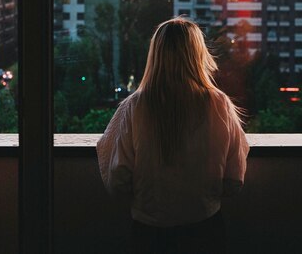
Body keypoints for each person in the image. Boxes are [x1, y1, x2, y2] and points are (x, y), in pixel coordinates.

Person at [97, 17, 249, 254]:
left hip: (150, 233)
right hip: (205, 230)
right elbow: (234, 179)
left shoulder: (134, 107)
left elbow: (117, 179)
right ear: (198, 55)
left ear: (155, 56)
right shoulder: (219, 104)